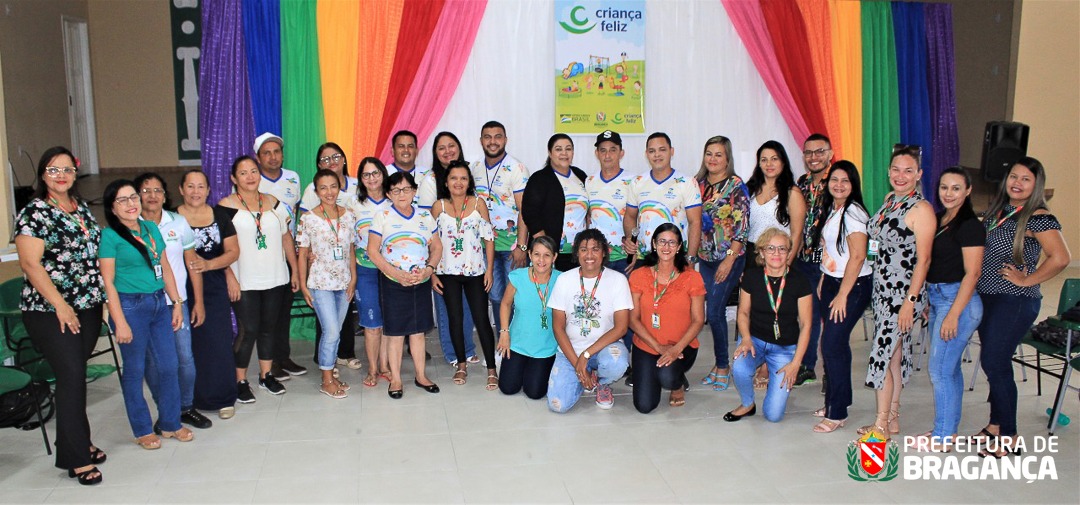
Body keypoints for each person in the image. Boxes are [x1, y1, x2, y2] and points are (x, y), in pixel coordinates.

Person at [14, 147, 107, 485]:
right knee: (70, 378)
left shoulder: (79, 208)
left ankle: (78, 441)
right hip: (50, 311)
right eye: (54, 170)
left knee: (75, 377)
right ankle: (76, 458)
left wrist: (104, 300)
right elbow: (29, 264)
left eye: (68, 169)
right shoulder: (35, 212)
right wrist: (60, 305)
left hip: (88, 306)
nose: (62, 175)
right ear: (42, 174)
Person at [971, 157, 1070, 457]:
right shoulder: (1001, 209)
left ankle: (1010, 436)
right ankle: (996, 425)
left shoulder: (1037, 216)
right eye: (1013, 176)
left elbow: (1061, 257)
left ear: (1036, 185)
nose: (1017, 183)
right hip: (989, 297)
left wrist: (1028, 280)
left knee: (995, 362)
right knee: (992, 361)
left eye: (1025, 179)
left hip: (1014, 300)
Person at [99, 180, 193, 449]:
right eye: (122, 200)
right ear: (112, 208)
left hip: (158, 304)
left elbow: (164, 266)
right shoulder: (110, 236)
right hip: (130, 307)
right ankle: (142, 429)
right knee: (135, 370)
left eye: (133, 197)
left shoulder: (151, 229)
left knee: (168, 365)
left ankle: (170, 423)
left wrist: (176, 302)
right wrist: (119, 321)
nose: (131, 204)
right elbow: (108, 282)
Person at [859, 145, 935, 439]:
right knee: (894, 355)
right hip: (882, 290)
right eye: (895, 170)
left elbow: (924, 260)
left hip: (903, 294)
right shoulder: (890, 200)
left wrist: (910, 303)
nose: (900, 176)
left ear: (919, 174)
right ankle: (891, 418)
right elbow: (877, 241)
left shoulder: (921, 210)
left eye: (908, 170)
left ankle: (880, 426)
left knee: (882, 353)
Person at [911, 167, 985, 450]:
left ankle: (942, 437)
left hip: (959, 303)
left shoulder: (970, 225)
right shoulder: (941, 219)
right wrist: (931, 300)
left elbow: (972, 274)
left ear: (967, 191)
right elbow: (936, 263)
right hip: (940, 298)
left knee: (940, 371)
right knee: (948, 370)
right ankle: (946, 431)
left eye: (956, 188)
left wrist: (953, 313)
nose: (949, 193)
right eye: (944, 187)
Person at [217, 156, 300, 403]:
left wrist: (294, 270)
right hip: (244, 279)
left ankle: (266, 375)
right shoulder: (225, 207)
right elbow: (219, 249)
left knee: (269, 328)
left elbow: (287, 238)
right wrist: (229, 276)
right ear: (234, 178)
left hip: (276, 276)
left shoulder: (275, 203)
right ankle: (239, 380)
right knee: (248, 329)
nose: (250, 176)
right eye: (243, 173)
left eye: (253, 171)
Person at [135, 172, 212, 430]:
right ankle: (166, 410)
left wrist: (198, 301)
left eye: (157, 190)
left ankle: (186, 407)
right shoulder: (128, 226)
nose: (152, 196)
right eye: (146, 191)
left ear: (166, 195)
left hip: (178, 301)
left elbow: (193, 265)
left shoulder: (178, 223)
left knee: (184, 359)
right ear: (137, 196)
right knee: (153, 362)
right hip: (143, 305)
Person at [724, 228, 812, 423]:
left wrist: (796, 363)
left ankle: (775, 379)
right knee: (739, 367)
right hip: (754, 341)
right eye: (770, 248)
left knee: (773, 416)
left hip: (784, 349)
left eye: (782, 249)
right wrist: (745, 338)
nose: (776, 254)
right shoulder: (751, 277)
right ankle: (747, 404)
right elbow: (743, 313)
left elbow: (806, 325)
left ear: (789, 252)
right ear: (761, 252)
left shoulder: (800, 281)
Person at [809, 161, 872, 433]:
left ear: (853, 184)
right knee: (834, 344)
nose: (839, 185)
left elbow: (858, 256)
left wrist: (844, 294)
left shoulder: (854, 212)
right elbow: (833, 253)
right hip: (832, 281)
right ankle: (836, 400)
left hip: (853, 285)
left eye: (845, 180)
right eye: (834, 179)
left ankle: (837, 412)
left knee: (832, 343)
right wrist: (824, 280)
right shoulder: (833, 209)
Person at [367, 171, 442, 399]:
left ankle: (421, 376)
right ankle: (396, 379)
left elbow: (437, 247)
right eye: (396, 190)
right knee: (397, 333)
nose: (402, 194)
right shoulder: (383, 216)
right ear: (389, 193)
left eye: (407, 189)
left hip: (420, 280)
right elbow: (372, 251)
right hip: (393, 282)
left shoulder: (425, 218)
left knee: (418, 331)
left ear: (414, 191)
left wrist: (429, 270)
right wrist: (396, 274)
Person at [176, 169, 240, 419]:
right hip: (180, 288)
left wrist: (211, 266)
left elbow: (233, 251)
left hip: (213, 286)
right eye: (190, 186)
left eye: (201, 186)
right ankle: (189, 399)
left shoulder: (220, 215)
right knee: (188, 346)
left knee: (218, 341)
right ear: (181, 189)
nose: (195, 192)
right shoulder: (171, 218)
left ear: (209, 190)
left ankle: (223, 397)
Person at [546, 229, 632, 412]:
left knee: (616, 362)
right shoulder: (564, 279)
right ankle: (584, 378)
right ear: (577, 253)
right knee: (557, 405)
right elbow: (558, 327)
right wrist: (579, 365)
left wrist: (586, 355)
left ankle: (602, 383)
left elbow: (622, 327)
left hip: (605, 348)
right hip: (570, 351)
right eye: (584, 249)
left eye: (595, 249)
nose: (589, 255)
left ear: (604, 252)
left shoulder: (618, 280)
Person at [744, 140, 807, 390]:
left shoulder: (792, 193)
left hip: (778, 259)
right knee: (752, 312)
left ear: (783, 162)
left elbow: (797, 233)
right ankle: (753, 359)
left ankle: (768, 367)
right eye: (764, 159)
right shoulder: (750, 188)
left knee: (775, 312)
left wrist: (784, 269)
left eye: (774, 159)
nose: (769, 164)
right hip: (751, 257)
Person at [431, 161, 498, 389]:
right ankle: (461, 364)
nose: (458, 183)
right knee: (455, 320)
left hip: (475, 273)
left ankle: (491, 368)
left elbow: (489, 238)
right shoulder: (438, 207)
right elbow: (431, 244)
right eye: (453, 178)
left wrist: (489, 270)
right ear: (446, 182)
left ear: (469, 182)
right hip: (447, 272)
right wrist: (432, 274)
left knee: (481, 320)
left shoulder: (479, 204)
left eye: (463, 178)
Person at [628, 224, 706, 413]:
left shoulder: (692, 277)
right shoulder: (639, 275)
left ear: (679, 247)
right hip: (647, 345)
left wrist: (675, 349)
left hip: (681, 347)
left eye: (672, 242)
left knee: (668, 376)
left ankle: (676, 384)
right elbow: (632, 319)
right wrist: (659, 348)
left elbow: (698, 320)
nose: (666, 247)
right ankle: (655, 371)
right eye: (662, 241)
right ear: (654, 243)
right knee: (644, 406)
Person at [693, 135, 750, 391]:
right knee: (710, 313)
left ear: (727, 158)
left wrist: (729, 260)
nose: (713, 159)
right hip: (705, 259)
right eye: (709, 154)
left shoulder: (736, 186)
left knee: (715, 313)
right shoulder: (698, 184)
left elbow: (742, 227)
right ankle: (718, 365)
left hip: (729, 258)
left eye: (718, 154)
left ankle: (724, 366)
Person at [300, 143, 362, 374]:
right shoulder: (309, 211)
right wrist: (306, 270)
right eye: (325, 159)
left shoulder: (352, 199)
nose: (329, 192)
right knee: (330, 328)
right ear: (316, 190)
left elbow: (351, 245)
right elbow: (304, 245)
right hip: (320, 276)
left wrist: (353, 277)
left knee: (338, 324)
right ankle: (327, 369)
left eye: (336, 156)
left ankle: (339, 358)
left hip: (344, 274)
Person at [254, 133, 307, 380]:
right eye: (267, 153)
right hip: (263, 253)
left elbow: (295, 213)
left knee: (284, 306)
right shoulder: (253, 181)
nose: (273, 157)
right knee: (268, 310)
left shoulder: (292, 178)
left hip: (289, 250)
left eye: (276, 151)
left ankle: (284, 357)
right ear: (258, 157)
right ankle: (270, 360)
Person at [470, 121, 530, 335]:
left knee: (515, 296)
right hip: (486, 247)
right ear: (481, 141)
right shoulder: (474, 168)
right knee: (495, 296)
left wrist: (522, 246)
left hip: (512, 247)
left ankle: (517, 344)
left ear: (505, 140)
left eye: (498, 136)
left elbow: (525, 210)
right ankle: (502, 343)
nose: (493, 141)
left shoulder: (517, 168)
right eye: (488, 136)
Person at [428, 132, 479, 368]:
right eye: (441, 148)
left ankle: (467, 348)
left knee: (466, 305)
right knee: (446, 306)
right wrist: (431, 266)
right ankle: (452, 352)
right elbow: (425, 225)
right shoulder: (430, 181)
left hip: (468, 255)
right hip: (443, 257)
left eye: (452, 146)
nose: (447, 151)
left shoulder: (468, 175)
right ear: (435, 153)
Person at [496, 236, 562, 399]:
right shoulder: (518, 276)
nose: (541, 260)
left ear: (554, 257)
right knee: (507, 388)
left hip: (545, 347)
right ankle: (523, 367)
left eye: (547, 255)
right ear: (530, 255)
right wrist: (504, 332)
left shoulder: (562, 280)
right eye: (537, 254)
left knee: (534, 393)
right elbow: (505, 304)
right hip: (517, 343)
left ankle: (537, 369)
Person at [622, 132, 702, 263]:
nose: (657, 155)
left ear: (672, 151)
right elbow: (630, 216)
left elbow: (695, 222)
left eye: (662, 150)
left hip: (677, 258)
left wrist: (691, 258)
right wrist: (631, 240)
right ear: (646, 154)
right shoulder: (637, 182)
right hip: (645, 258)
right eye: (652, 151)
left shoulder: (687, 182)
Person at [794, 134, 834, 387]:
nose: (814, 157)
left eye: (819, 152)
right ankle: (807, 366)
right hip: (803, 259)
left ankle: (832, 370)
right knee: (807, 315)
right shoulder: (802, 183)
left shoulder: (838, 181)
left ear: (830, 153)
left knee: (830, 318)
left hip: (829, 263)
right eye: (808, 152)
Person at [350, 157, 393, 387]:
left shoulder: (393, 201)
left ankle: (386, 366)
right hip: (365, 270)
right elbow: (348, 241)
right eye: (366, 175)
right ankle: (373, 369)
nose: (372, 178)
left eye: (375, 173)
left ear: (383, 174)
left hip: (390, 270)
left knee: (388, 321)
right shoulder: (354, 205)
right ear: (361, 179)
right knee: (372, 323)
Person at [521, 134, 588, 272]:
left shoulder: (580, 176)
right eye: (558, 149)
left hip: (579, 253)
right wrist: (546, 248)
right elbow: (530, 214)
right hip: (552, 254)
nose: (564, 153)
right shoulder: (539, 179)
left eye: (568, 149)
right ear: (550, 153)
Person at [586, 130, 635, 275]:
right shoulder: (589, 181)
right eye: (603, 150)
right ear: (597, 154)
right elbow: (588, 216)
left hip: (624, 257)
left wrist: (634, 251)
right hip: (597, 257)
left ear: (621, 153)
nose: (607, 155)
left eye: (613, 150)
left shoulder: (633, 181)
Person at [386, 129, 432, 205]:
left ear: (417, 151)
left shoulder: (429, 174)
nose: (406, 150)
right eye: (401, 146)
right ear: (392, 151)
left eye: (410, 146)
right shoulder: (382, 174)